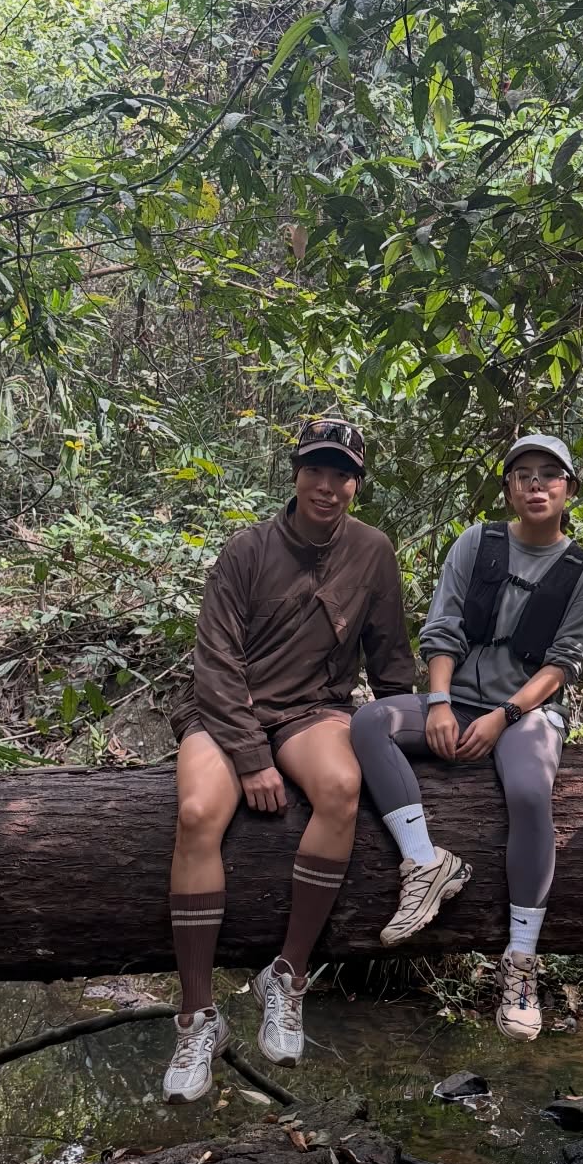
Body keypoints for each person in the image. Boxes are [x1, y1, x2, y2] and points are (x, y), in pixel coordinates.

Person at [162, 418, 414, 1102]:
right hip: (226, 711)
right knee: (195, 811)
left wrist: (417, 749)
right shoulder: (246, 550)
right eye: (316, 470)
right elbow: (214, 663)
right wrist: (249, 758)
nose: (327, 486)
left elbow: (391, 664)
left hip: (314, 711)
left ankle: (288, 975)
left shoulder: (373, 552)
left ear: (356, 483)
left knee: (340, 785)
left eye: (341, 474)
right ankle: (196, 1016)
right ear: (296, 473)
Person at [351, 434, 583, 1040]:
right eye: (523, 476)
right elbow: (442, 626)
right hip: (456, 697)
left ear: (569, 488)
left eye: (550, 475)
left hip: (525, 714)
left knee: (527, 792)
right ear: (509, 489)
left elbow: (563, 664)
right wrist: (438, 703)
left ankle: (520, 960)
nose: (537, 485)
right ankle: (425, 863)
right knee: (369, 722)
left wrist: (502, 718)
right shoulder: (479, 542)